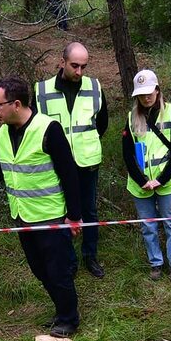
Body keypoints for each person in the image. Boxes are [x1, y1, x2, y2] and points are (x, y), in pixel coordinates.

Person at [0, 76, 83, 337]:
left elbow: (70, 174)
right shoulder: (2, 134)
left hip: (51, 216)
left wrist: (74, 216)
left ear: (17, 104)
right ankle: (60, 310)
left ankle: (69, 318)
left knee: (58, 271)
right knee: (40, 270)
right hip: (22, 216)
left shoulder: (49, 129)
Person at [34, 43, 109, 277]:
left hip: (87, 162)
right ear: (62, 61)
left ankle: (90, 255)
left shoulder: (94, 87)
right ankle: (69, 259)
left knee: (89, 211)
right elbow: (36, 126)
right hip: (56, 164)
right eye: (74, 66)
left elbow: (102, 123)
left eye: (84, 67)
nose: (79, 72)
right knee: (60, 211)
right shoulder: (41, 90)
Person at [122, 69, 171, 280]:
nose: (146, 97)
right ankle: (156, 263)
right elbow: (128, 153)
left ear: (158, 90)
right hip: (140, 184)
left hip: (166, 182)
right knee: (148, 225)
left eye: (150, 92)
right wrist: (143, 181)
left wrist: (160, 180)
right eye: (141, 93)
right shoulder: (132, 117)